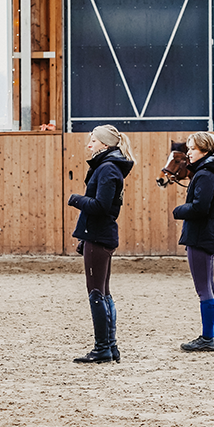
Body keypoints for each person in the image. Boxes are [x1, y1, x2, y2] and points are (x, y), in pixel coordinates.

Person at [67, 125, 135, 364]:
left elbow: (101, 206)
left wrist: (76, 199)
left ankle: (103, 348)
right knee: (103, 294)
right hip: (96, 235)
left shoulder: (107, 169)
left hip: (99, 235)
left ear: (105, 145)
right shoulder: (108, 168)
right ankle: (110, 346)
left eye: (93, 141)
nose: (89, 145)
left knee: (97, 294)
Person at [173, 131, 214, 352]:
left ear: (205, 150)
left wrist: (179, 210)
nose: (189, 153)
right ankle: (213, 335)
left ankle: (207, 338)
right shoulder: (210, 172)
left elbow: (200, 208)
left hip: (200, 234)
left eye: (193, 149)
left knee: (204, 289)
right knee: (210, 288)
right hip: (207, 233)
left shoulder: (204, 175)